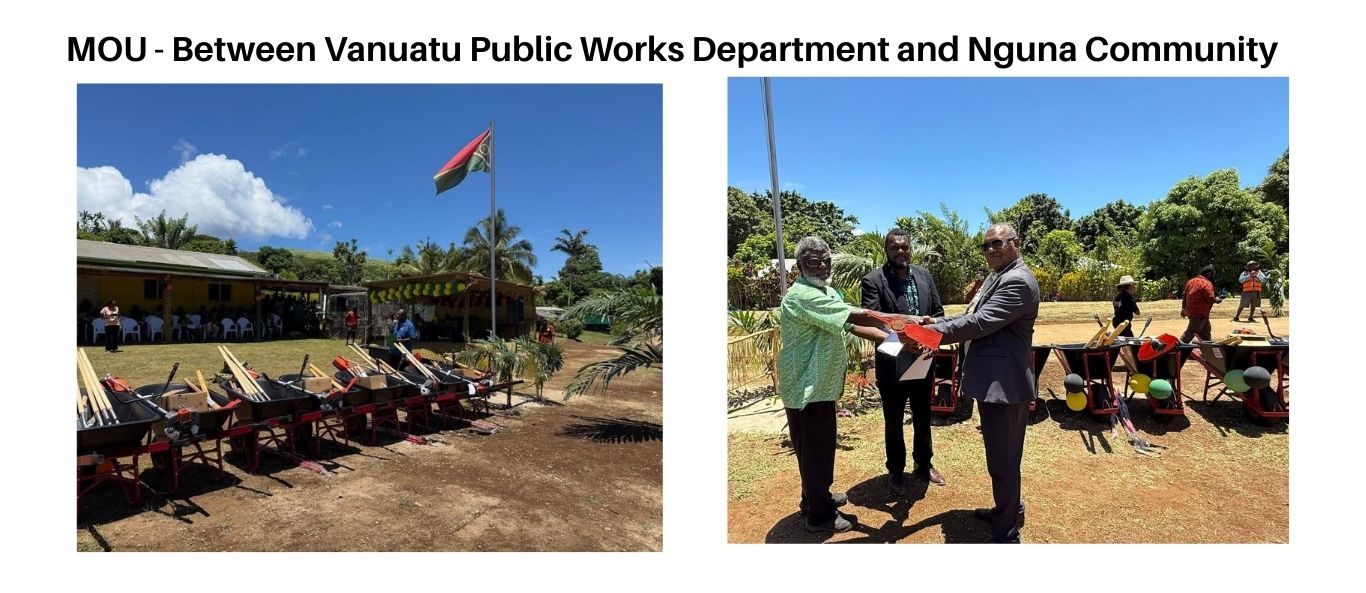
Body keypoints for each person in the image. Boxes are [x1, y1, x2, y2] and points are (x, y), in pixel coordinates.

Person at [779, 236, 916, 534]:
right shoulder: (804, 295)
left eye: (825, 260)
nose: (822, 266)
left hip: (818, 386)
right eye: (813, 262)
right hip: (808, 388)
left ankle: (815, 498)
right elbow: (860, 314)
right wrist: (904, 321)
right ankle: (819, 516)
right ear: (800, 266)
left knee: (816, 449)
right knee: (816, 451)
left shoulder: (822, 291)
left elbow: (851, 325)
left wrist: (897, 339)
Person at [921, 223, 1039, 543]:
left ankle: (1006, 534)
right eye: (986, 245)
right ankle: (1007, 508)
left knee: (1003, 460)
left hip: (1004, 386)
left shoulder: (1017, 281)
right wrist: (932, 322)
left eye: (997, 243)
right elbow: (971, 313)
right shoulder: (998, 276)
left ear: (1015, 243)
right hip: (996, 384)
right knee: (1001, 457)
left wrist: (927, 334)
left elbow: (980, 322)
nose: (991, 250)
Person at [860, 229, 947, 494]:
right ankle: (895, 471)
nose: (901, 252)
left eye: (905, 247)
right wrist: (903, 341)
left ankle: (924, 464)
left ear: (910, 249)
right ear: (886, 249)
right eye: (895, 248)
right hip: (892, 360)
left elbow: (938, 313)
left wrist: (931, 342)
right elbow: (873, 321)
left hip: (923, 357)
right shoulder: (873, 280)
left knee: (923, 416)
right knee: (894, 420)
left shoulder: (924, 275)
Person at [1180, 265, 1223, 343]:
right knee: (1190, 332)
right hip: (1200, 313)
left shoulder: (1191, 281)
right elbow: (1210, 299)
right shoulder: (1206, 283)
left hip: (1192, 311)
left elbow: (1185, 296)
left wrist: (1183, 309)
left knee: (1206, 331)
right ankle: (1176, 349)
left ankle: (1207, 349)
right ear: (1209, 274)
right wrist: (1217, 300)